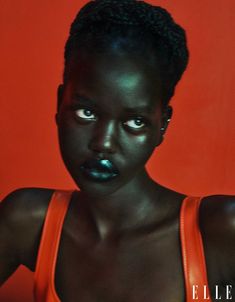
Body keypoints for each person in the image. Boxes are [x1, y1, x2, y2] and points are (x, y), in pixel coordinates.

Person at [0, 0, 234, 301]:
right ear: (59, 105)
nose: (103, 143)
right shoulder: (29, 221)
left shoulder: (217, 234)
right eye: (86, 113)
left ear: (162, 126)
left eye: (135, 122)